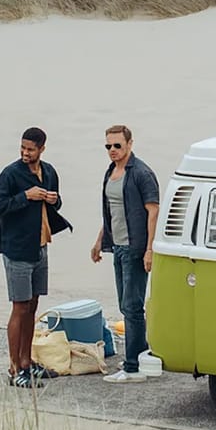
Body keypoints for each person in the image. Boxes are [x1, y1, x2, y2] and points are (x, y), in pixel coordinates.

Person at [0, 126, 68, 387]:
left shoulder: (49, 172)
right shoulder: (11, 174)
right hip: (16, 249)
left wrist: (54, 200)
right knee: (19, 307)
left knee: (32, 305)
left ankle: (27, 363)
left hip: (40, 246)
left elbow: (56, 204)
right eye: (22, 148)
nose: (25, 152)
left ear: (41, 149)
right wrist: (25, 196)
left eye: (30, 149)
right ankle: (14, 369)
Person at [90, 124, 159, 384]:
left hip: (135, 247)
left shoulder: (141, 173)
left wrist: (149, 250)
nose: (112, 150)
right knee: (125, 305)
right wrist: (99, 241)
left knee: (132, 306)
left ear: (130, 144)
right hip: (117, 246)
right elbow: (112, 212)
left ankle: (132, 367)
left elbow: (153, 212)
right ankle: (137, 357)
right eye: (108, 146)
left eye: (117, 145)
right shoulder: (111, 172)